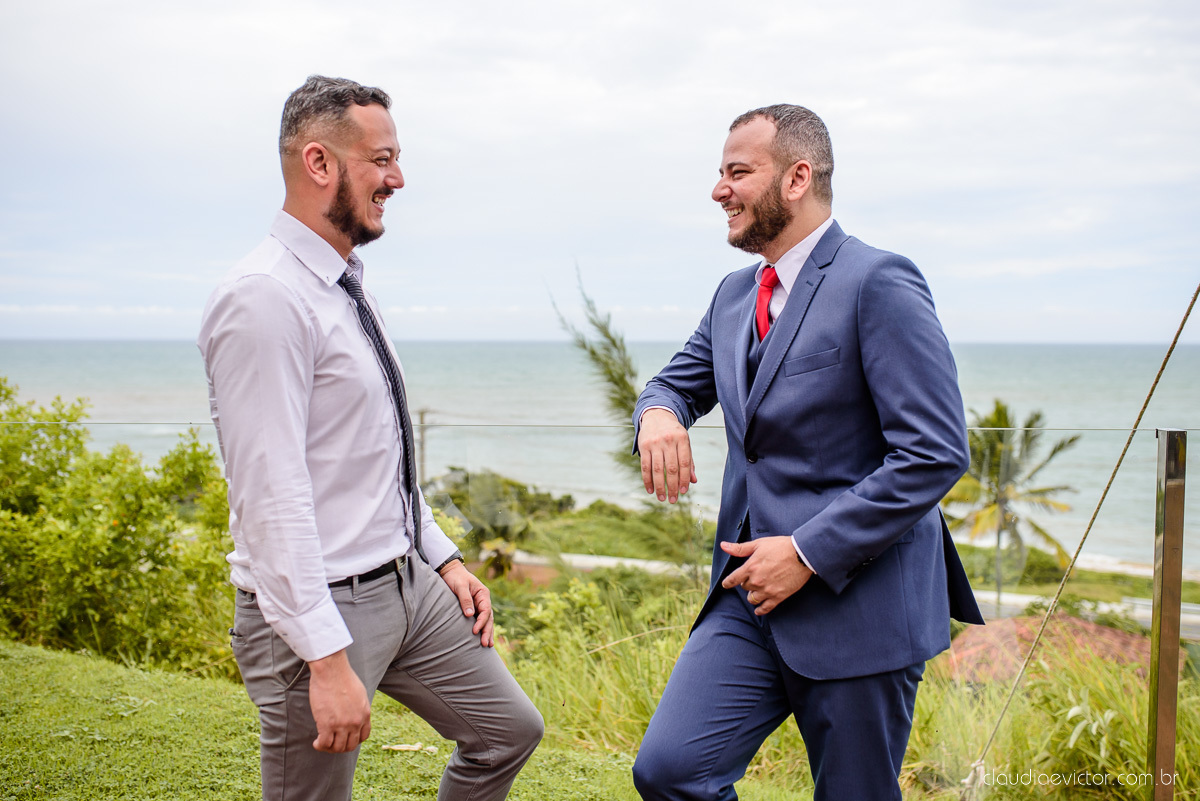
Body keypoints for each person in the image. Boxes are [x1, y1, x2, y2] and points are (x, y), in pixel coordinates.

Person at [197, 75, 542, 801]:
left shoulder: (344, 281)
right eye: (381, 159)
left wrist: (441, 557)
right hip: (316, 607)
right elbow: (271, 496)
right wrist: (324, 659)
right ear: (319, 163)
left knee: (507, 730)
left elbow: (375, 455)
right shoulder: (264, 297)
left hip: (405, 583)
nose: (398, 178)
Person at [630, 105, 984, 801]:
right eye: (720, 172)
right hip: (745, 598)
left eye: (737, 172)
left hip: (860, 602)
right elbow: (676, 381)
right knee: (670, 770)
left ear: (796, 177)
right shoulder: (735, 294)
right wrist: (659, 415)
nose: (718, 190)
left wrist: (806, 551)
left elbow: (935, 451)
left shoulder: (879, 282)